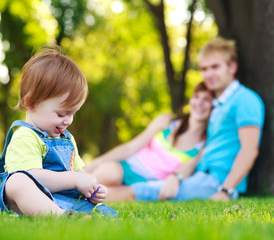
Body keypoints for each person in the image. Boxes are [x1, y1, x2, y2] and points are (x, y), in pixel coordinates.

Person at [105, 37, 265, 202]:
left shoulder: (245, 99)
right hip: (200, 176)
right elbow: (203, 154)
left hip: (216, 181)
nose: (208, 74)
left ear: (232, 67)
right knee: (136, 187)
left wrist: (225, 190)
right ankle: (80, 196)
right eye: (204, 69)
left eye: (215, 67)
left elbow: (249, 149)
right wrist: (176, 177)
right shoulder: (218, 106)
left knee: (140, 191)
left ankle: (79, 199)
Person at [0, 48, 117, 217]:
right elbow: (35, 177)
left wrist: (91, 187)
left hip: (63, 200)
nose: (68, 120)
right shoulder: (25, 136)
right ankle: (60, 216)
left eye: (73, 113)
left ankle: (76, 215)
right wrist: (74, 179)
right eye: (61, 114)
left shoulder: (66, 138)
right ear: (31, 103)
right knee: (17, 181)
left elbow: (79, 173)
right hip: (31, 203)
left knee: (102, 212)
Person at [85, 82, 214, 200]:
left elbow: (187, 169)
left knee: (106, 194)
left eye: (207, 99)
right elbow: (130, 147)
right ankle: (74, 188)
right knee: (111, 173)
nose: (199, 103)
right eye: (196, 97)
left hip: (144, 185)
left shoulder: (203, 145)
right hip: (126, 169)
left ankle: (76, 199)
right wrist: (94, 164)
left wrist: (175, 179)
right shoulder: (167, 121)